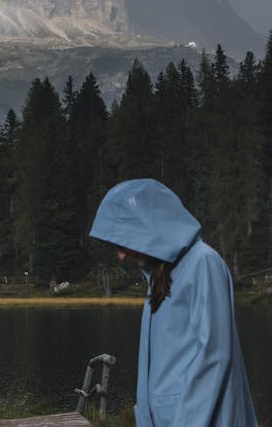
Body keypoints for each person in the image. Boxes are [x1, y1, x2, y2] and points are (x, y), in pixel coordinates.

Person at [89, 178, 257, 427]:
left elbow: (214, 356)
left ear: (149, 227)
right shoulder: (158, 277)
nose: (121, 255)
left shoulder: (203, 263)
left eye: (124, 242)